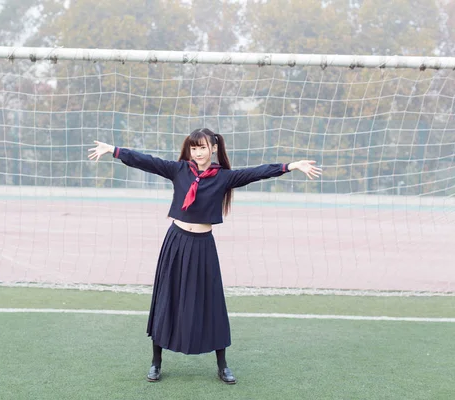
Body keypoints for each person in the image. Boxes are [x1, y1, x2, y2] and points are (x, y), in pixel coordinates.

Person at [88, 128, 322, 384]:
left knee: (211, 303)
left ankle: (222, 365)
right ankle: (156, 362)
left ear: (213, 148)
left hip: (202, 246)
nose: (198, 152)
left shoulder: (223, 177)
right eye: (193, 148)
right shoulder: (178, 170)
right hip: (175, 243)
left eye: (202, 147)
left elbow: (258, 172)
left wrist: (290, 166)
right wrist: (114, 150)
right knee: (167, 298)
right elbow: (147, 161)